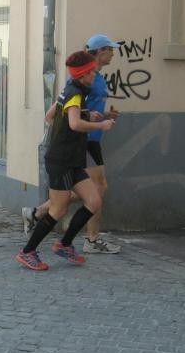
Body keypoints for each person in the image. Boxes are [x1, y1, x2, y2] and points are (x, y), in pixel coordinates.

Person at [21, 34, 122, 254]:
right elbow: (59, 117)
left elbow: (72, 114)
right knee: (66, 204)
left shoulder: (90, 81)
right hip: (72, 150)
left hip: (82, 146)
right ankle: (87, 240)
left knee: (94, 195)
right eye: (110, 49)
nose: (113, 54)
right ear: (99, 52)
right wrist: (93, 125)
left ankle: (59, 237)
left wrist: (99, 115)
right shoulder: (74, 87)